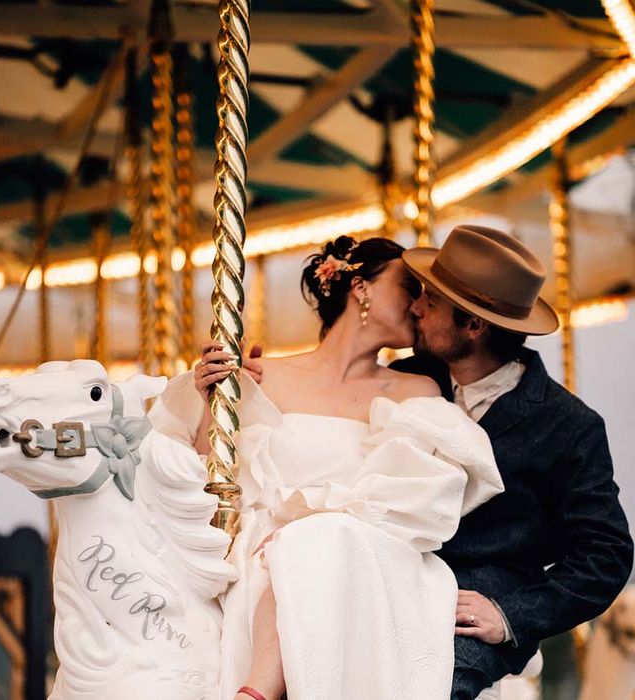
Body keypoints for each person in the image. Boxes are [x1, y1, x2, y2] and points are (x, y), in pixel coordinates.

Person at [149, 235, 505, 699]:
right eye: (408, 287)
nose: (420, 305)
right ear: (362, 288)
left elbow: (421, 498)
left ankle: (255, 691)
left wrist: (318, 523)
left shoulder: (416, 391)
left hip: (366, 555)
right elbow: (213, 481)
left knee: (314, 543)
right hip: (262, 552)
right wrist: (209, 398)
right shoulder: (265, 375)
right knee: (287, 554)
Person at [390, 224, 633, 698]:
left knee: (427, 685)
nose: (415, 307)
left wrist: (511, 614)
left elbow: (606, 554)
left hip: (473, 610)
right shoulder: (408, 378)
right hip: (392, 582)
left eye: (432, 302)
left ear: (474, 326)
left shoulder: (568, 424)